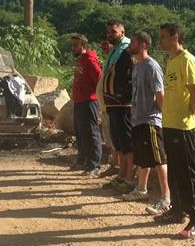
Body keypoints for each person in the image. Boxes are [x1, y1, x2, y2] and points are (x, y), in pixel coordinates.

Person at [154, 23, 195, 238]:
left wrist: (194, 112)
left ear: (175, 37)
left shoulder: (187, 60)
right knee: (175, 172)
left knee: (188, 174)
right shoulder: (172, 60)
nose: (160, 41)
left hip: (183, 127)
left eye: (163, 37)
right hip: (169, 124)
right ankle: (177, 211)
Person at [123, 31, 171, 215]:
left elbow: (160, 94)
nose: (130, 45)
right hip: (138, 120)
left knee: (159, 159)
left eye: (133, 42)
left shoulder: (152, 66)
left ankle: (166, 198)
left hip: (151, 120)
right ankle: (141, 189)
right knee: (144, 158)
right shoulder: (137, 66)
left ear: (144, 44)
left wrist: (162, 116)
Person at [102, 20, 135, 192]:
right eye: (108, 32)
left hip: (123, 104)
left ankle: (129, 178)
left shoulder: (127, 50)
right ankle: (121, 175)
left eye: (113, 32)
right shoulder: (114, 51)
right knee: (118, 142)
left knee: (127, 142)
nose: (110, 35)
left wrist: (124, 96)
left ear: (122, 33)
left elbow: (132, 77)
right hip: (112, 103)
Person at [71, 35, 103, 177]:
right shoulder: (80, 60)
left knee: (91, 132)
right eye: (72, 45)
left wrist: (93, 96)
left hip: (89, 101)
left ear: (83, 46)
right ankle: (83, 160)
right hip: (79, 101)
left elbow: (99, 80)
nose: (73, 48)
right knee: (80, 131)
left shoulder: (90, 60)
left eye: (75, 45)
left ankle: (94, 164)